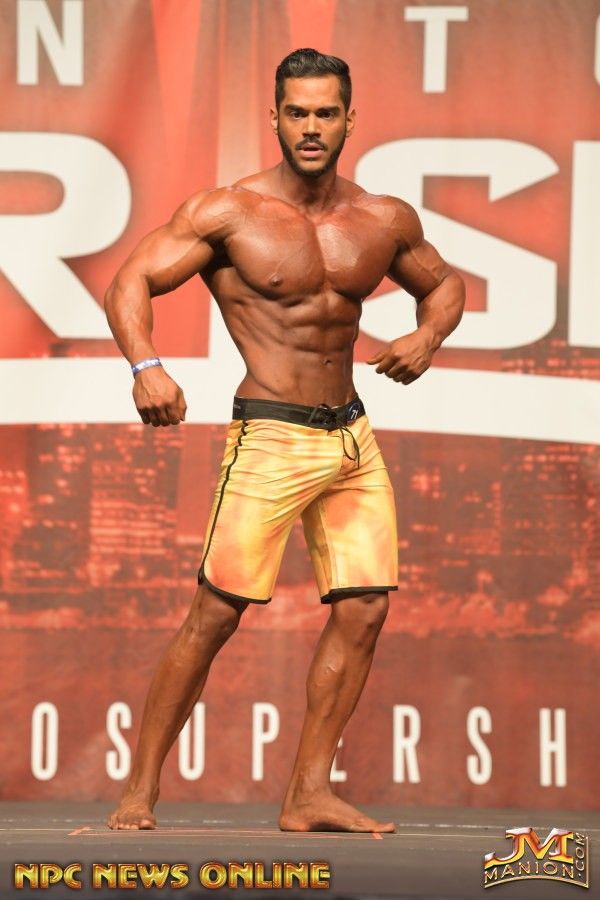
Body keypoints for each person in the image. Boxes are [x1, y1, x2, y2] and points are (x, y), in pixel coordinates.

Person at [104, 48, 465, 833]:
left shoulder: (382, 218)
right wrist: (146, 366)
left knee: (365, 609)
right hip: (271, 434)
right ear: (274, 117)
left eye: (325, 113)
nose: (310, 127)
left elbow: (445, 283)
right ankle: (140, 790)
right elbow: (131, 278)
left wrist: (426, 337)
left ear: (349, 120)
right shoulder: (228, 212)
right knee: (215, 614)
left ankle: (308, 793)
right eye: (297, 112)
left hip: (351, 438)